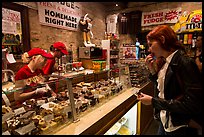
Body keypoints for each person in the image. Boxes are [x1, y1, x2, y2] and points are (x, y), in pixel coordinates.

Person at [137, 25, 202, 135]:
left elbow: (192, 104)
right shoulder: (165, 62)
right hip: (165, 121)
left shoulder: (184, 62)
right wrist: (153, 72)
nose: (149, 49)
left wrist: (153, 102)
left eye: (151, 45)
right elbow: (165, 89)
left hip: (179, 126)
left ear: (162, 40)